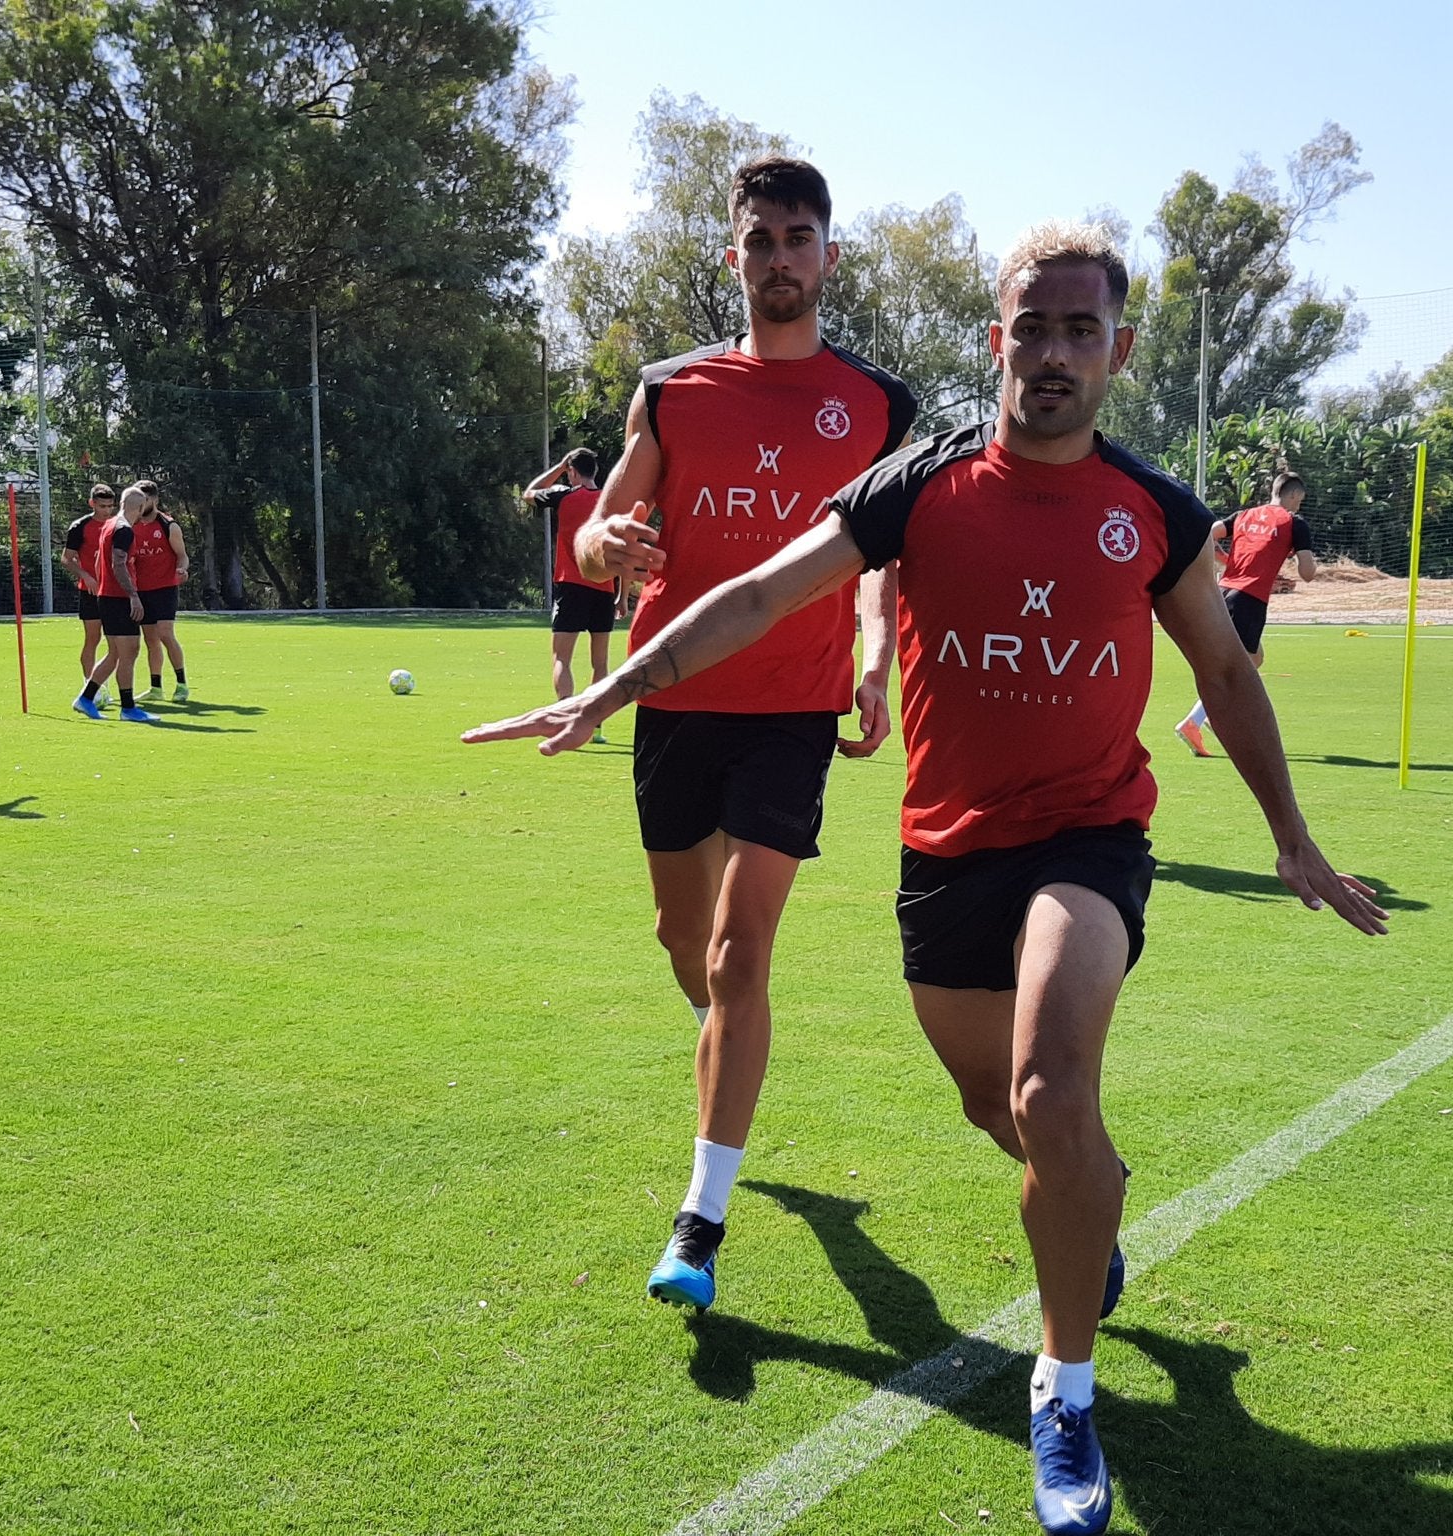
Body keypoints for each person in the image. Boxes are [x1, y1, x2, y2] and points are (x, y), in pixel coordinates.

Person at [466, 223, 1387, 1536]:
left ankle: (1062, 1394)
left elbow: (1226, 676)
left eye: (1082, 330)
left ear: (1118, 351)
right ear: (997, 338)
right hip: (949, 854)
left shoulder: (1156, 513)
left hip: (1089, 842)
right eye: (1033, 326)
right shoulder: (921, 483)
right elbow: (764, 594)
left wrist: (1291, 833)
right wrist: (615, 686)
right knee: (997, 1113)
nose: (1054, 352)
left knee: (1046, 1085)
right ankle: (1085, 1199)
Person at [556, 156, 917, 1312]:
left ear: (828, 255)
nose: (777, 260)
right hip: (671, 700)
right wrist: (606, 549)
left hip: (790, 716)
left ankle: (697, 1224)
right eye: (758, 241)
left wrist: (872, 656)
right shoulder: (670, 391)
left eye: (796, 239)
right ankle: (731, 1047)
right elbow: (598, 529)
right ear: (735, 257)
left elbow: (879, 556)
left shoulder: (878, 406)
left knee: (738, 951)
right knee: (684, 946)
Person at [1175, 471, 1318, 757]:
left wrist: (1225, 560)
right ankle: (1196, 720)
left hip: (1223, 592)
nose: (1298, 506)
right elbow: (1308, 573)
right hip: (1250, 599)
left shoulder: (1245, 515)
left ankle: (1210, 719)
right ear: (1291, 496)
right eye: (1299, 501)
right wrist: (1304, 562)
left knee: (1254, 657)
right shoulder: (1294, 523)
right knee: (1234, 668)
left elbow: (1208, 532)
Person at [522, 447, 615, 741]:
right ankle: (596, 726)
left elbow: (530, 492)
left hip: (571, 586)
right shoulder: (610, 502)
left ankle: (565, 720)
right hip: (604, 588)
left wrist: (559, 467)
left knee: (561, 657)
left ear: (572, 471)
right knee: (600, 663)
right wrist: (623, 595)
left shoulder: (563, 495)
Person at [72, 486, 157, 723]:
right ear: (140, 507)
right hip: (118, 599)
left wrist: (103, 587)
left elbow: (100, 560)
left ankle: (86, 698)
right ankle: (128, 708)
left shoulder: (109, 525)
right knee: (129, 651)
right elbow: (118, 563)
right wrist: (133, 595)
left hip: (107, 597)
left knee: (116, 653)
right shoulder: (123, 530)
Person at [132, 479, 190, 701]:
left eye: (145, 499)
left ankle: (182, 684)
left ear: (154, 500)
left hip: (165, 588)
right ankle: (156, 688)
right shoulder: (131, 524)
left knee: (165, 634)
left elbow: (182, 556)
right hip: (142, 590)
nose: (141, 503)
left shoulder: (168, 525)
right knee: (150, 640)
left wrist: (182, 570)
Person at [60, 483, 118, 699]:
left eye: (110, 506)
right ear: (92, 503)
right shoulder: (79, 527)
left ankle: (103, 685)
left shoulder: (118, 525)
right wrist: (85, 575)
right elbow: (66, 558)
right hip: (90, 592)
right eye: (102, 506)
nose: (107, 511)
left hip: (114, 592)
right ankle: (89, 687)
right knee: (93, 639)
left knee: (117, 642)